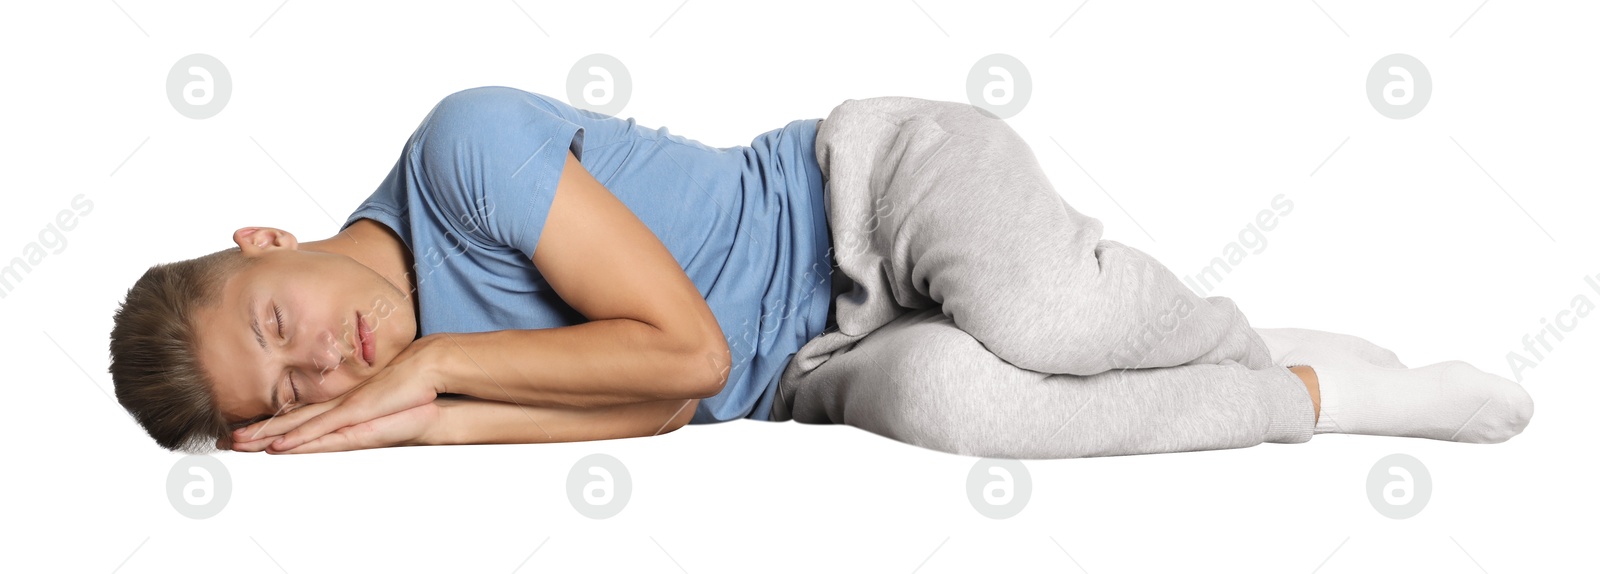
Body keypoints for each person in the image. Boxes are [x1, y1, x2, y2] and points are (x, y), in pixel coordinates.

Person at [108, 86, 1534, 457]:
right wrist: (429, 418)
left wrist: (431, 372)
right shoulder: (421, 389)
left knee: (1049, 314)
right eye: (288, 386)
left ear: (260, 242)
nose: (326, 363)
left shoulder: (459, 150)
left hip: (865, 194)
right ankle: (1309, 392)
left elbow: (679, 350)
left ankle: (1214, 333)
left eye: (279, 321)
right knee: (973, 408)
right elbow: (665, 416)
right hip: (812, 369)